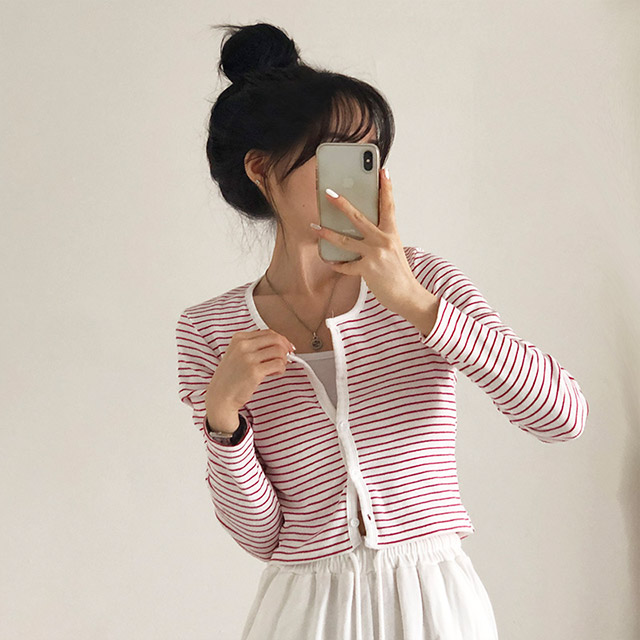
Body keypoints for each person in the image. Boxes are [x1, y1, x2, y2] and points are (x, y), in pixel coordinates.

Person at [175, 22, 589, 640]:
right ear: (261, 169)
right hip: (306, 611)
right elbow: (260, 536)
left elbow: (562, 416)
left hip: (434, 603)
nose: (359, 176)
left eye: (368, 155)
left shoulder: (424, 281)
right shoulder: (210, 330)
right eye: (337, 153)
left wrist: (416, 304)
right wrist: (223, 419)